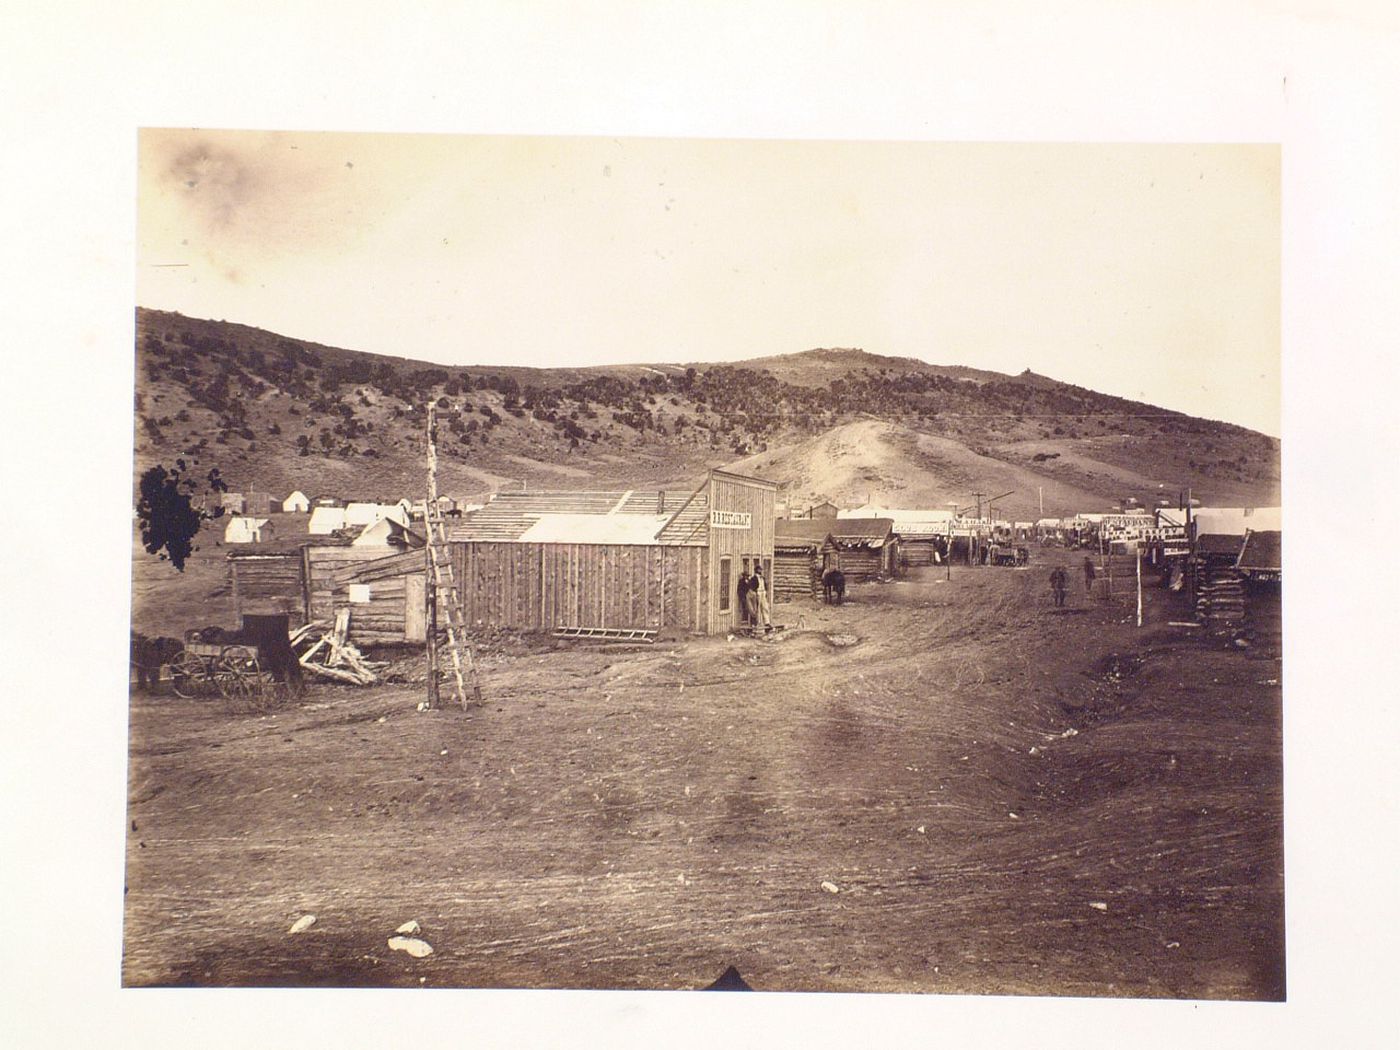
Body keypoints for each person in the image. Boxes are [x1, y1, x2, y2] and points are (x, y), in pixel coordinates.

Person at [753, 566, 773, 632]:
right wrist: (755, 593)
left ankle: (767, 622)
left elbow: (765, 586)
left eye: (761, 570)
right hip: (758, 592)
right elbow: (752, 587)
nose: (760, 571)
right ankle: (757, 622)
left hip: (763, 593)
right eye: (759, 570)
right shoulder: (754, 578)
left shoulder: (762, 578)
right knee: (757, 608)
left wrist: (765, 592)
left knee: (765, 607)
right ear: (756, 570)